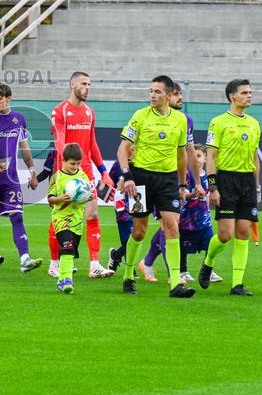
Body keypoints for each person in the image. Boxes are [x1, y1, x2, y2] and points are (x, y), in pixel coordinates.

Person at [115, 75, 195, 298]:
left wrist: (181, 183)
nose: (152, 95)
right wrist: (127, 176)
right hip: (141, 179)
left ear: (169, 95)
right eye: (151, 91)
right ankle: (129, 274)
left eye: (157, 92)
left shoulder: (179, 120)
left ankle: (175, 284)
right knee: (139, 231)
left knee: (172, 227)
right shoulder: (140, 116)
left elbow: (181, 155)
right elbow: (122, 150)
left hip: (168, 180)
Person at [198, 79, 261, 296]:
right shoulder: (219, 122)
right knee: (225, 235)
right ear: (232, 97)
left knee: (243, 232)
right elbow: (211, 156)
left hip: (247, 183)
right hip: (226, 181)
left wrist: (257, 187)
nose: (249, 96)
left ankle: (237, 284)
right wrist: (213, 187)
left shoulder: (254, 123)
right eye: (245, 92)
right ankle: (208, 262)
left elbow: (255, 157)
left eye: (250, 92)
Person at [49, 72, 115, 278]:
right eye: (84, 84)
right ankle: (54, 263)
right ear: (72, 85)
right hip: (65, 173)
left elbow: (92, 143)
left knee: (93, 214)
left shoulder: (89, 112)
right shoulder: (59, 111)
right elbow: (59, 141)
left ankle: (94, 264)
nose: (87, 87)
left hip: (86, 172)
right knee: (61, 217)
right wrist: (68, 166)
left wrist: (103, 171)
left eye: (89, 84)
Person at [0, 83, 41, 273]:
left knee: (17, 217)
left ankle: (25, 259)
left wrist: (32, 171)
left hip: (11, 179)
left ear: (9, 98)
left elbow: (24, 147)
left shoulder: (19, 119)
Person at [139, 144, 222, 284]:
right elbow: (177, 194)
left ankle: (208, 269)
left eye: (199, 156)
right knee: (171, 236)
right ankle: (179, 271)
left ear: (206, 159)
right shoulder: (185, 175)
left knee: (210, 244)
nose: (196, 159)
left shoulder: (208, 177)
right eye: (193, 156)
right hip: (181, 216)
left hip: (202, 219)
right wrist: (192, 194)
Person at [46, 143, 92, 294]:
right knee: (67, 246)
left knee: (71, 250)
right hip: (61, 219)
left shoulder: (82, 176)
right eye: (72, 163)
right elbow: (50, 199)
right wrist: (62, 199)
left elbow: (87, 196)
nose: (75, 166)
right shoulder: (56, 177)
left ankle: (61, 281)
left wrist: (87, 197)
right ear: (63, 160)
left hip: (77, 221)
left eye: (78, 163)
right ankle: (67, 280)